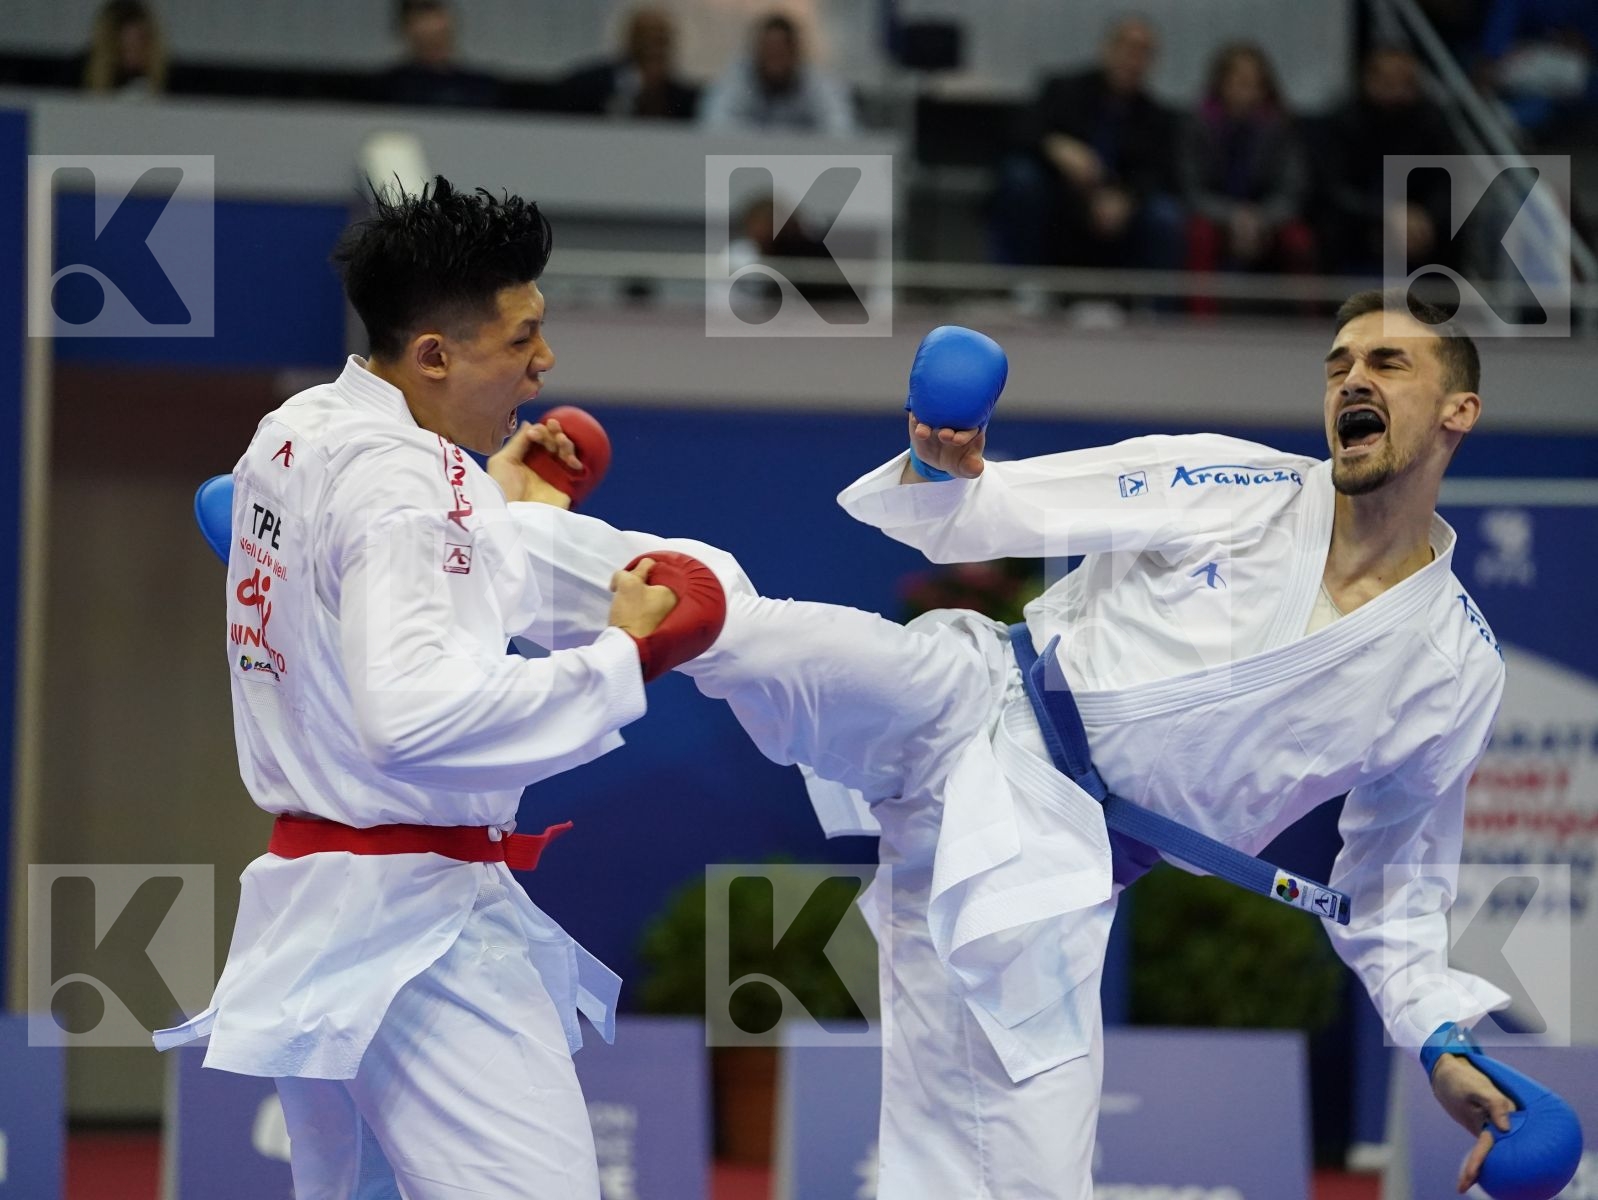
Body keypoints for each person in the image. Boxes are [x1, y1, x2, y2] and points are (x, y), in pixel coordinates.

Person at [502, 293, 1522, 1198]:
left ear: (1455, 411)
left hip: (1057, 861)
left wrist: (1436, 1036)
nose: (1350, 377)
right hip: (976, 692)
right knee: (724, 619)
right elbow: (988, 504)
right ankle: (498, 540)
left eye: (1385, 364)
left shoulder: (1449, 666)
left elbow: (1395, 890)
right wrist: (945, 459)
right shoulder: (1236, 483)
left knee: (1017, 1171)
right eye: (1337, 362)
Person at [152, 178, 732, 1198]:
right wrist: (616, 659)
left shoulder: (292, 432)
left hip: (314, 912)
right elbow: (414, 718)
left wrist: (489, 495)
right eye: (521, 339)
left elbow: (357, 575)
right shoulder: (413, 490)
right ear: (432, 355)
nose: (543, 363)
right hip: (418, 934)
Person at [990, 14, 1184, 273]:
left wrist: (1127, 198)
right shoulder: (1063, 89)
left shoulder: (1156, 117)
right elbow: (1016, 132)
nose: (1132, 60)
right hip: (1060, 201)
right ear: (1106, 49)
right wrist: (1055, 146)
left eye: (1143, 53)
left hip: (1119, 215)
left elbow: (1161, 173)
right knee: (1019, 177)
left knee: (1165, 215)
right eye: (1126, 48)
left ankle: (1155, 308)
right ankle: (1019, 284)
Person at [1176, 43, 1315, 312]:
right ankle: (1200, 320)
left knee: (1298, 240)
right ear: (1220, 83)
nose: (1246, 91)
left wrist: (1260, 218)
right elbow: (1191, 189)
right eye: (1238, 81)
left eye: (1254, 83)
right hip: (1216, 216)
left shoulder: (1279, 126)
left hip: (1267, 218)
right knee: (1199, 234)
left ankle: (1307, 321)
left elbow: (1292, 188)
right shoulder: (1197, 125)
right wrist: (1233, 217)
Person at [1318, 47, 1461, 276]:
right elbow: (1334, 189)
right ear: (1368, 80)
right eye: (1387, 81)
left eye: (1405, 82)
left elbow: (1447, 180)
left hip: (1418, 227)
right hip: (1361, 224)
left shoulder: (1432, 121)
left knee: (1456, 227)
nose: (1396, 91)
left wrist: (1427, 217)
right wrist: (1386, 214)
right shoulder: (1342, 122)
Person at [699, 11, 855, 135]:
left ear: (795, 53)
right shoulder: (735, 79)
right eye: (768, 50)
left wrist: (784, 141)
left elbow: (842, 130)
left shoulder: (818, 83)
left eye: (781, 51)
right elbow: (713, 124)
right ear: (756, 52)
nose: (774, 58)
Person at [558, 6, 698, 120]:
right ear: (631, 40)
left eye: (660, 39)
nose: (653, 46)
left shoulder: (683, 99)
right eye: (646, 37)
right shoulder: (589, 85)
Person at [378, 0, 500, 109]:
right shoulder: (387, 89)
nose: (437, 47)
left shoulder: (482, 89)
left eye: (441, 36)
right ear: (407, 32)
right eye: (428, 40)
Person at [81, 0, 166, 96]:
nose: (131, 57)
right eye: (124, 50)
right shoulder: (76, 73)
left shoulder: (174, 78)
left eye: (140, 47)